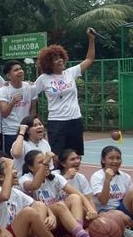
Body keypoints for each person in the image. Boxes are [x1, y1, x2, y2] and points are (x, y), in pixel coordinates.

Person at [19, 151, 112, 237]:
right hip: (35, 228)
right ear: (30, 167)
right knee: (56, 205)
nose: (47, 164)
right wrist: (51, 214)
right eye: (42, 162)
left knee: (74, 198)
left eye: (48, 162)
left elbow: (78, 194)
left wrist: (91, 209)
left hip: (55, 223)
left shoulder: (55, 178)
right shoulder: (24, 179)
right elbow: (34, 185)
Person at [33, 28, 96, 156]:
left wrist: (91, 40)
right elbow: (31, 94)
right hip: (57, 122)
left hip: (75, 120)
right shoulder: (44, 79)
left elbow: (89, 59)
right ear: (48, 63)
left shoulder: (71, 73)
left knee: (75, 155)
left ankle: (73, 176)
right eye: (55, 59)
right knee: (57, 156)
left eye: (60, 57)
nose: (60, 60)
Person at [0, 61, 37, 154]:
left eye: (21, 69)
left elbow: (33, 109)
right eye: (16, 70)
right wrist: (13, 102)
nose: (20, 71)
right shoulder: (4, 90)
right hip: (10, 131)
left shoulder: (31, 87)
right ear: (9, 75)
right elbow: (4, 113)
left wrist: (31, 126)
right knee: (13, 158)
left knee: (29, 157)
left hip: (27, 130)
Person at [53, 149, 99, 221]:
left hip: (76, 212)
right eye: (72, 159)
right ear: (63, 164)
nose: (77, 161)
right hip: (58, 212)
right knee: (75, 198)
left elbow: (89, 199)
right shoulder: (54, 175)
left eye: (78, 158)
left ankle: (79, 227)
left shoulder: (81, 177)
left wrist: (94, 215)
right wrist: (65, 177)